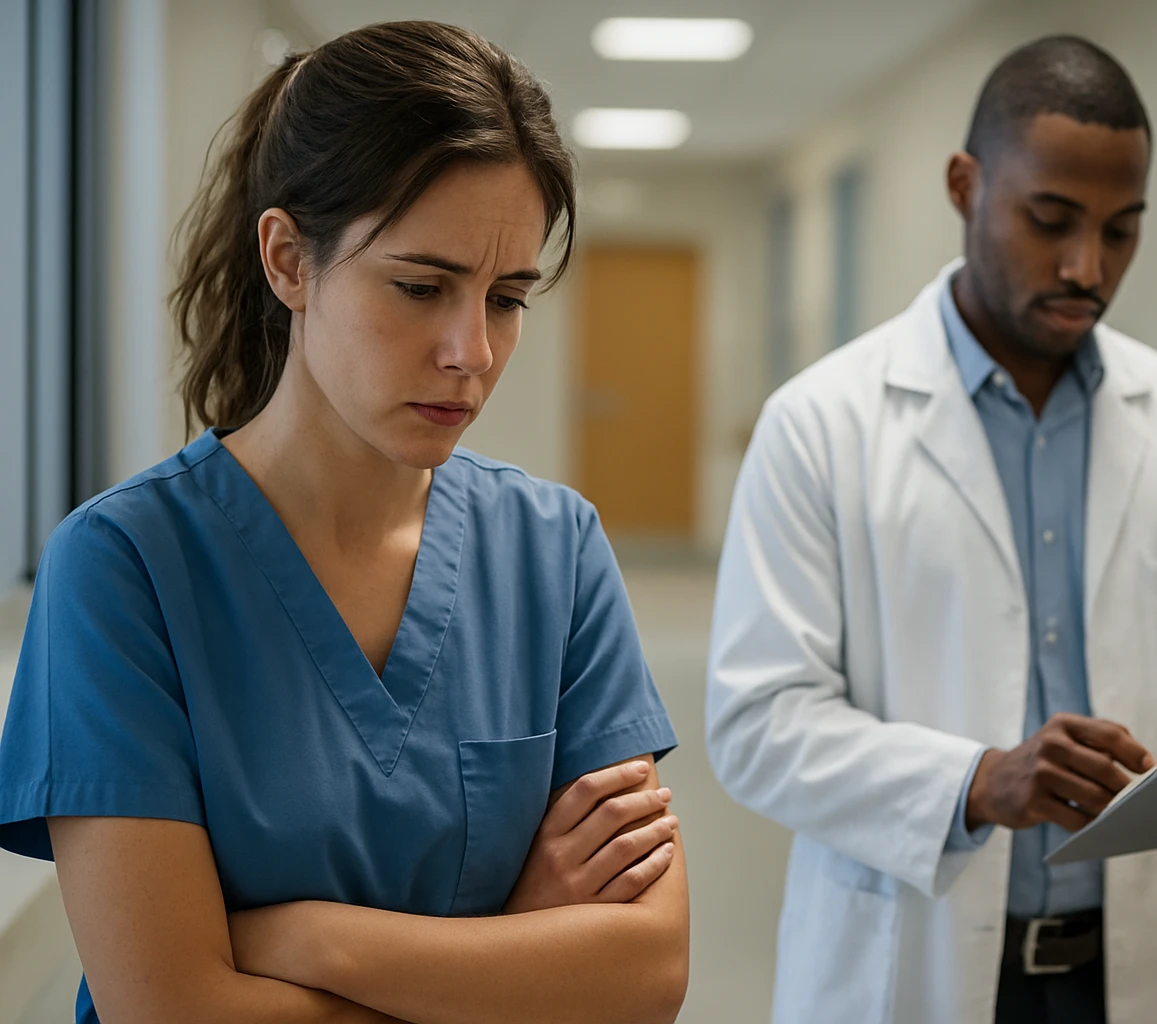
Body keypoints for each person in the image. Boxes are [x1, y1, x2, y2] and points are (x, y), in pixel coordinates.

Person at [0, 22, 688, 1024]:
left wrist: (304, 938)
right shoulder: (125, 570)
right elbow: (171, 1009)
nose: (471, 351)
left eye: (505, 299)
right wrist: (512, 957)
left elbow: (644, 975)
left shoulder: (553, 549)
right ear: (288, 260)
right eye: (421, 287)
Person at [707, 35, 1157, 1024]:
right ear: (965, 185)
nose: (1087, 266)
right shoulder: (822, 423)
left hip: (1131, 970)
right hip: (913, 962)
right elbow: (757, 721)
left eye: (1122, 231)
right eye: (1051, 220)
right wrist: (976, 781)